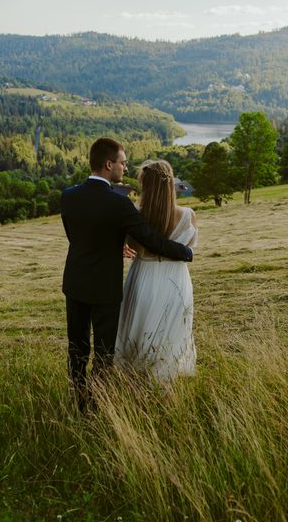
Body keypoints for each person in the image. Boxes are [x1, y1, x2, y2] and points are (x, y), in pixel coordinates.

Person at [61, 138, 193, 412]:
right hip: (105, 290)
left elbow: (78, 237)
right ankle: (97, 405)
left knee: (77, 347)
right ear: (109, 164)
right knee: (104, 352)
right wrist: (185, 252)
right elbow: (151, 240)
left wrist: (112, 246)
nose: (125, 167)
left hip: (74, 282)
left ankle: (79, 400)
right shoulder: (119, 204)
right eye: (122, 162)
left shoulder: (69, 195)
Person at [115, 160, 197, 387]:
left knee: (139, 337)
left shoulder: (135, 215)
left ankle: (135, 396)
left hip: (144, 278)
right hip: (176, 281)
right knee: (169, 340)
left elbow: (133, 247)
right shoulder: (188, 215)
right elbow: (189, 247)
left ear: (145, 186)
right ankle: (164, 393)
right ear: (171, 184)